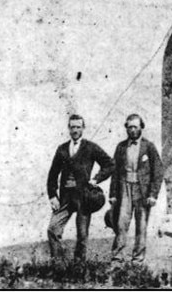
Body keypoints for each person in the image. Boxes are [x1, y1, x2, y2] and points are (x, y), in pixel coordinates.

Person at [47, 114, 113, 266]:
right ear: (68, 129)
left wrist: (96, 179)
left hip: (84, 198)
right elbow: (53, 174)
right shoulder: (62, 149)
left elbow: (110, 164)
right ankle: (58, 266)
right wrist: (52, 196)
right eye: (72, 127)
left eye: (78, 127)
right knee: (53, 229)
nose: (75, 130)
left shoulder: (90, 147)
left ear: (83, 128)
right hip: (64, 197)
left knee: (82, 235)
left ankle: (79, 267)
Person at [109, 113, 163, 267]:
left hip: (142, 191)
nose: (132, 130)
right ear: (126, 128)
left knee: (141, 225)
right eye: (129, 127)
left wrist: (153, 195)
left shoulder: (149, 147)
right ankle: (117, 258)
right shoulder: (120, 147)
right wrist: (113, 194)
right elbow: (115, 172)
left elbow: (158, 171)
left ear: (141, 128)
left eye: (135, 127)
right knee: (121, 223)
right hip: (124, 188)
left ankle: (138, 260)